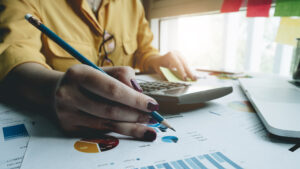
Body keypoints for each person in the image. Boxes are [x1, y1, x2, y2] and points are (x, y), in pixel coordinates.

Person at [0, 0, 196, 141]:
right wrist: (53, 88)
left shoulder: (132, 4)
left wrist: (156, 59)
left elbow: (143, 51)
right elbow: (14, 55)